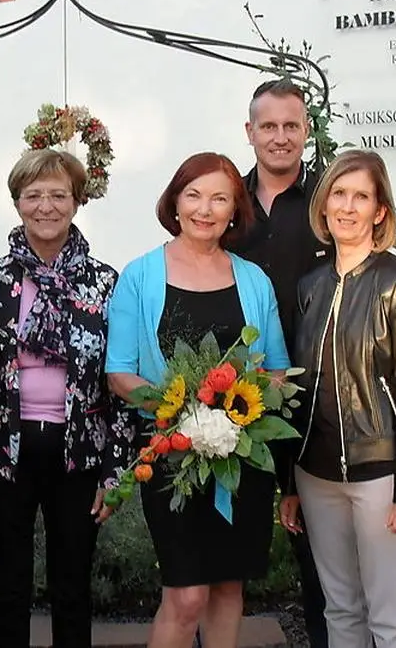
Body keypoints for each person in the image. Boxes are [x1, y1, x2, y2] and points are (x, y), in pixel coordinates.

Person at [105, 151, 290, 648]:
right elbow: (119, 372)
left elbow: (275, 368)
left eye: (219, 198)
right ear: (175, 201)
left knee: (230, 587)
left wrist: (231, 417)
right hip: (170, 456)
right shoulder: (139, 276)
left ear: (235, 210)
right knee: (186, 596)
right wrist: (179, 408)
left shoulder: (254, 280)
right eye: (194, 195)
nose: (205, 209)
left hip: (241, 455)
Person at [0, 149, 134, 647]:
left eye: (58, 194)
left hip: (78, 451)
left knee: (72, 587)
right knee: (8, 589)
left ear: (77, 202)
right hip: (2, 453)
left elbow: (120, 377)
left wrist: (115, 469)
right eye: (33, 194)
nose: (46, 205)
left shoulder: (105, 282)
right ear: (17, 202)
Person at [278, 150, 396, 648]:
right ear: (324, 205)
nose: (347, 206)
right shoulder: (310, 286)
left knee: (392, 621)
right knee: (341, 611)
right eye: (339, 194)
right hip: (316, 475)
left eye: (361, 196)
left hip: (382, 475)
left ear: (380, 211)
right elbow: (296, 391)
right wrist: (289, 480)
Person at [227, 78, 330, 648]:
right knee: (221, 558)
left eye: (292, 125)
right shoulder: (225, 203)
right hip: (233, 405)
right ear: (250, 132)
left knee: (319, 561)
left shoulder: (326, 204)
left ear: (306, 130)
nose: (281, 137)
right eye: (269, 126)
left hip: (315, 401)